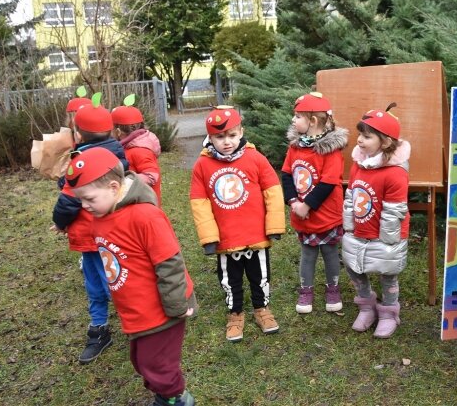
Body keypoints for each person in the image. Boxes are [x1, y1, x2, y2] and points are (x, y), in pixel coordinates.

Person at [67, 147, 196, 406]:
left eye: (89, 199)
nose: (84, 206)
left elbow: (169, 262)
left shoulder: (145, 217)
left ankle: (177, 399)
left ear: (114, 187)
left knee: (157, 364)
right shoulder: (100, 216)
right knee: (141, 361)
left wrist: (177, 305)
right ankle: (165, 393)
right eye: (80, 199)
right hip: (134, 310)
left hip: (163, 309)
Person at [189, 106, 285, 342]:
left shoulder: (255, 158)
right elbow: (199, 203)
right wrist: (209, 237)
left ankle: (262, 308)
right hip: (226, 237)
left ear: (241, 132)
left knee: (260, 276)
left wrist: (273, 226)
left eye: (232, 135)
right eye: (220, 137)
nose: (227, 142)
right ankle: (235, 313)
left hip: (255, 235)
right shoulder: (202, 165)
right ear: (210, 138)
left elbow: (272, 191)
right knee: (229, 280)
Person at [51, 103, 129, 364]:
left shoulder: (84, 164)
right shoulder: (118, 155)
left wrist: (60, 223)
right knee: (117, 280)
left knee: (99, 285)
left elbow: (68, 201)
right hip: (114, 237)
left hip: (91, 238)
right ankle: (117, 325)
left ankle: (105, 327)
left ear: (79, 134)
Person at [342, 104, 410, 339]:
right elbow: (351, 196)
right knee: (354, 268)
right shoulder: (358, 165)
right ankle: (366, 306)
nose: (359, 140)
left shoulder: (395, 173)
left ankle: (389, 312)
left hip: (385, 234)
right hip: (359, 231)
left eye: (366, 136)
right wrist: (349, 226)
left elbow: (394, 210)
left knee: (387, 273)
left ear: (386, 142)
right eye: (360, 134)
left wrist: (387, 242)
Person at [281, 92, 348, 314]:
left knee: (329, 252)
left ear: (313, 121)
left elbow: (328, 184)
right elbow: (287, 174)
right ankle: (306, 291)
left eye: (298, 116)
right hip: (302, 214)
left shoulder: (331, 151)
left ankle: (333, 289)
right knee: (307, 253)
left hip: (325, 215)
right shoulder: (295, 147)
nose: (293, 120)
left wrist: (307, 205)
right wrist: (293, 202)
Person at [111, 103, 163, 206]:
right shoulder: (129, 146)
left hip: (144, 206)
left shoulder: (139, 150)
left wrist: (125, 182)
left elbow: (151, 176)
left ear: (118, 132)